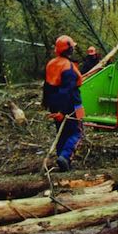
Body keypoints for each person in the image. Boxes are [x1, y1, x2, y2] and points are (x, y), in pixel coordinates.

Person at [42, 35, 85, 172]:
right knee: (78, 132)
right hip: (72, 105)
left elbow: (47, 86)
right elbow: (66, 92)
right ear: (70, 49)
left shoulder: (51, 64)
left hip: (54, 104)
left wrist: (48, 104)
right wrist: (62, 111)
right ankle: (65, 157)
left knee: (61, 132)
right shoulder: (68, 68)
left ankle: (62, 159)